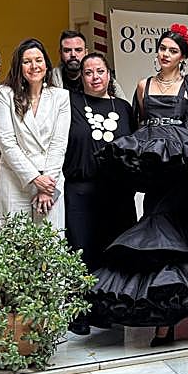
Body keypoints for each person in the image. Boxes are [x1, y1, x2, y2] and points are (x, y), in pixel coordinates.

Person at [91, 24, 188, 343]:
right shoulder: (143, 86)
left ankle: (170, 317)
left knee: (179, 234)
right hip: (156, 176)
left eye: (172, 51)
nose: (165, 54)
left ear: (183, 57)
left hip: (183, 174)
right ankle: (163, 313)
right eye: (162, 49)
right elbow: (137, 128)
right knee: (156, 234)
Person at [63, 52, 136, 335]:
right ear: (81, 77)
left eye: (100, 71)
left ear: (109, 75)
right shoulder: (69, 103)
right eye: (89, 72)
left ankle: (106, 309)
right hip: (81, 189)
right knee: (81, 250)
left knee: (113, 250)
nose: (95, 77)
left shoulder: (124, 107)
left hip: (118, 190)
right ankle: (79, 312)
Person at [0, 39, 71, 230]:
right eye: (27, 61)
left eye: (38, 60)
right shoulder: (5, 94)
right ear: (19, 66)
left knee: (48, 247)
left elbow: (58, 145)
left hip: (50, 180)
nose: (34, 66)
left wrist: (46, 187)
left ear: (46, 63)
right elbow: (7, 143)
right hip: (15, 180)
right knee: (15, 247)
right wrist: (35, 178)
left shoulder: (60, 97)